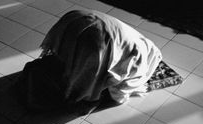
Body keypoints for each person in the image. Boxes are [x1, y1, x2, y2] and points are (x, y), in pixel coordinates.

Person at [16, 9, 162, 115]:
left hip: (78, 18)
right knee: (88, 79)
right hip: (96, 38)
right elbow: (118, 94)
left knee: (73, 57)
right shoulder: (139, 58)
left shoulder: (139, 46)